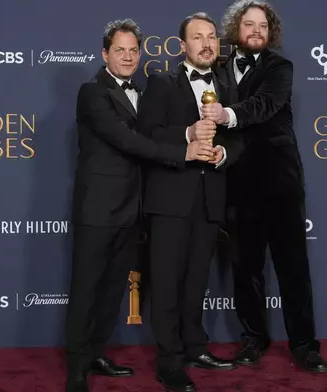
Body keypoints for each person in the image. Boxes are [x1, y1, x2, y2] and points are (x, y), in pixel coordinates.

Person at [65, 18, 216, 392]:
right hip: (98, 208)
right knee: (87, 289)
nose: (129, 57)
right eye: (120, 50)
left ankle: (97, 352)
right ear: (105, 54)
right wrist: (185, 151)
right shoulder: (91, 92)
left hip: (133, 209)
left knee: (113, 287)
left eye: (134, 50)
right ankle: (77, 369)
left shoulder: (144, 90)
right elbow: (129, 141)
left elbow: (147, 137)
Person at [197, 0, 327, 373]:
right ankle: (254, 338)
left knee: (293, 269)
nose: (256, 30)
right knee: (245, 269)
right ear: (235, 29)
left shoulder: (280, 67)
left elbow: (264, 105)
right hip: (237, 184)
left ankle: (304, 345)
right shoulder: (218, 69)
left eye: (263, 25)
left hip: (280, 183)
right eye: (249, 24)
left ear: (270, 33)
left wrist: (227, 114)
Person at [137, 12, 244, 392]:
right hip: (170, 199)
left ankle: (196, 347)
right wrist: (187, 134)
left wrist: (223, 154)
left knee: (197, 281)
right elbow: (147, 135)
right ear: (183, 46)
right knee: (166, 283)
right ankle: (169, 362)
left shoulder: (227, 88)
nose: (206, 43)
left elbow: (239, 138)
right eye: (197, 38)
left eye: (211, 37)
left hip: (210, 198)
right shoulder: (161, 83)